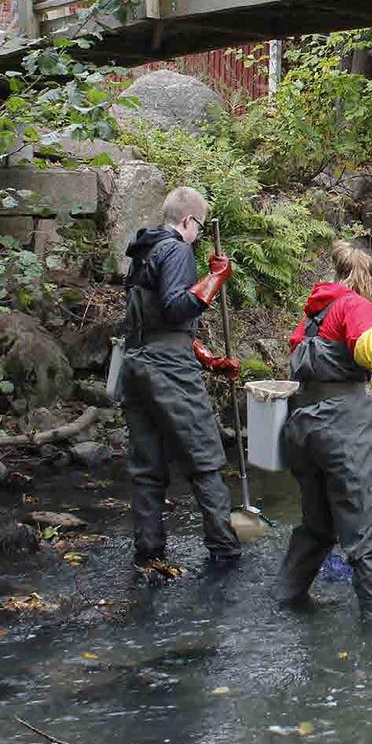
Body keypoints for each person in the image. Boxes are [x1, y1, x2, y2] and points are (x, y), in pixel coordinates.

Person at [275, 240, 372, 621]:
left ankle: (285, 602)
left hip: (303, 427)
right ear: (367, 276)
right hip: (343, 426)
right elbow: (370, 353)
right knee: (366, 535)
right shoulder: (355, 305)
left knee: (317, 528)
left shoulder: (314, 316)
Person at [121, 187, 242, 573]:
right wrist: (215, 280)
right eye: (199, 229)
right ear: (188, 221)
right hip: (168, 370)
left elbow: (152, 322)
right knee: (205, 458)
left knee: (147, 467)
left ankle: (149, 554)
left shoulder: (142, 253)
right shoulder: (176, 249)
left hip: (136, 365)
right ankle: (225, 553)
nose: (198, 236)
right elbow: (175, 308)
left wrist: (205, 357)